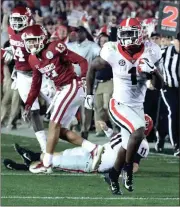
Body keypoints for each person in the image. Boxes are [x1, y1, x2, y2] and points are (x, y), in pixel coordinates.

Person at [85, 18, 164, 194]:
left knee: (127, 146)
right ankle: (127, 171)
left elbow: (160, 85)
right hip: (118, 104)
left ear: (140, 34)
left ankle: (113, 175)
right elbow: (92, 67)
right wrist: (88, 94)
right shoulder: (112, 50)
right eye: (124, 34)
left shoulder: (152, 50)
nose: (127, 38)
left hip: (137, 106)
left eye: (131, 33)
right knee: (139, 131)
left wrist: (153, 71)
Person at [21, 24, 104, 173]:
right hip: (62, 90)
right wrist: (28, 104)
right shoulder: (33, 59)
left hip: (72, 85)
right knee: (59, 130)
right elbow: (36, 83)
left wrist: (85, 79)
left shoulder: (54, 47)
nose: (31, 44)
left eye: (34, 40)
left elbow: (82, 61)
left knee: (53, 124)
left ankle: (47, 164)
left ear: (42, 38)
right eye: (29, 42)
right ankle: (94, 148)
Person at [4, 114, 153, 176]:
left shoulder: (142, 143)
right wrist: (107, 130)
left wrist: (117, 172)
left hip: (95, 162)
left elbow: (134, 165)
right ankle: (31, 156)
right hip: (96, 150)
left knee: (51, 162)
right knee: (59, 154)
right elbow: (116, 140)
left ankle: (21, 166)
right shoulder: (127, 134)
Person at [2, 6, 54, 153]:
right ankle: (44, 146)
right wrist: (10, 51)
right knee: (32, 110)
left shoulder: (33, 31)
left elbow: (45, 48)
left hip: (40, 73)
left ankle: (68, 127)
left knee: (56, 102)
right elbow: (17, 47)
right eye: (14, 19)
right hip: (22, 75)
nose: (16, 23)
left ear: (27, 19)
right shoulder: (11, 30)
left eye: (20, 19)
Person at [67, 26, 101, 140]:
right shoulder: (69, 45)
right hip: (71, 80)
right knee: (70, 104)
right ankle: (72, 126)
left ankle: (85, 130)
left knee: (86, 105)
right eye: (75, 31)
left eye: (79, 31)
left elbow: (100, 53)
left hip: (87, 80)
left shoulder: (92, 46)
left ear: (85, 33)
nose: (76, 34)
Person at [157, 32, 180, 156]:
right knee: (173, 111)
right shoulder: (165, 52)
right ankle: (175, 144)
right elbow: (152, 63)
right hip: (168, 87)